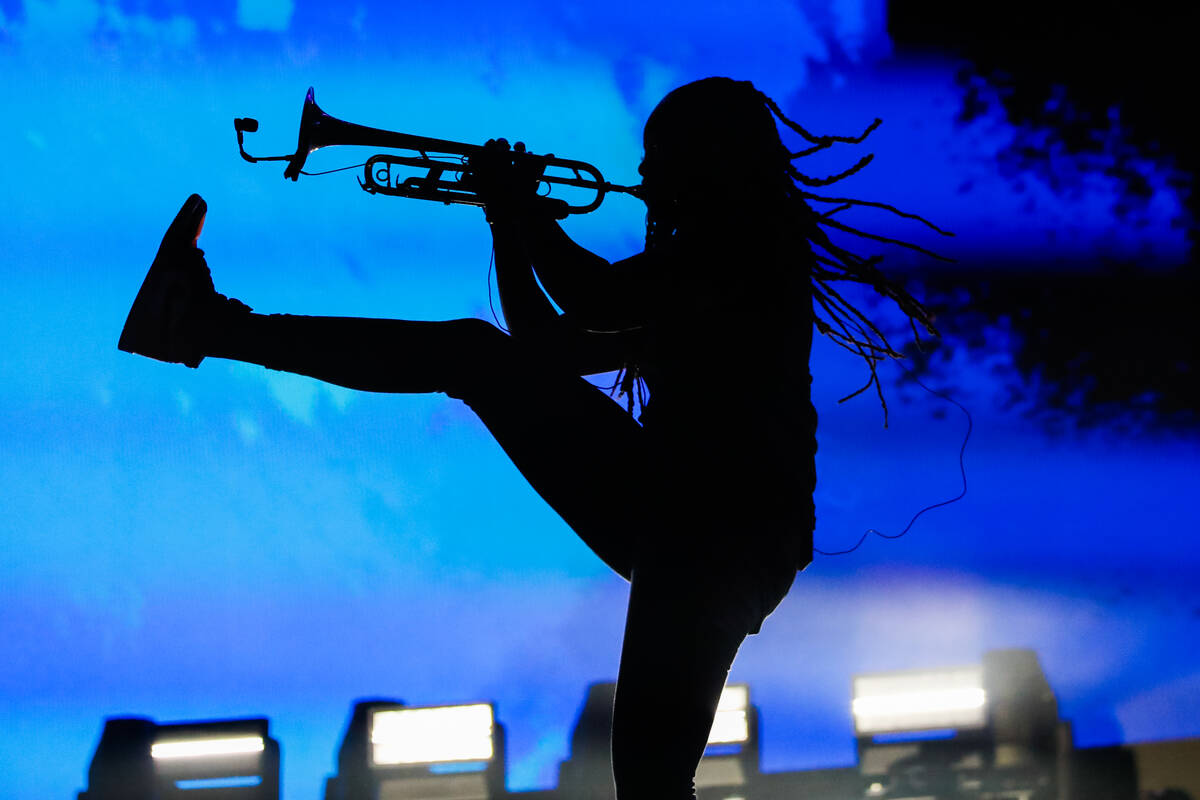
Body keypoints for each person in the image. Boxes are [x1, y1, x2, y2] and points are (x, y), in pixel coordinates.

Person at [119, 77, 939, 800]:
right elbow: (550, 346)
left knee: (651, 784)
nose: (645, 178)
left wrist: (519, 210)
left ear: (711, 159)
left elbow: (587, 296)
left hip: (720, 523)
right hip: (677, 503)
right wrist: (508, 228)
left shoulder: (744, 253)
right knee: (472, 354)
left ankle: (196, 323)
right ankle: (198, 323)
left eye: (661, 158)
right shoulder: (698, 269)